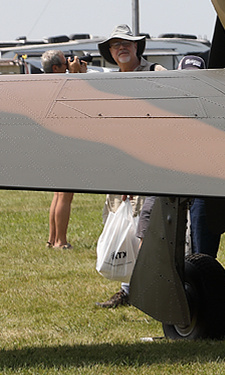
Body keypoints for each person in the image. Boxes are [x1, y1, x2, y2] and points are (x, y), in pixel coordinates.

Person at [95, 25, 154, 309]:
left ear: (136, 48)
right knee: (119, 223)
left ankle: (143, 289)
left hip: (147, 163)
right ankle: (127, 289)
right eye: (116, 45)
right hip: (117, 163)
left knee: (143, 228)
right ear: (110, 52)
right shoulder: (110, 82)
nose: (121, 48)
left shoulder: (153, 73)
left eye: (127, 43)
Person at [40, 49, 86, 250]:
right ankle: (61, 241)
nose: (69, 65)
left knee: (58, 194)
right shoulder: (60, 85)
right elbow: (75, 103)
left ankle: (52, 239)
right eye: (65, 63)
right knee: (65, 194)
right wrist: (77, 76)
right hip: (64, 142)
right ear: (56, 68)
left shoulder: (46, 85)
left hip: (53, 143)